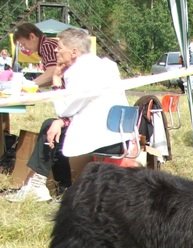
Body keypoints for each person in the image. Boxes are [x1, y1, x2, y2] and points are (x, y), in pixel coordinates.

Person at [6, 28, 129, 202]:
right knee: (54, 127)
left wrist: (56, 82)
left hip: (102, 135)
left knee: (50, 127)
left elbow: (64, 109)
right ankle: (59, 187)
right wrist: (63, 121)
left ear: (74, 52)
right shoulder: (105, 66)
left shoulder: (79, 71)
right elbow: (81, 105)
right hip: (118, 133)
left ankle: (41, 185)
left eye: (60, 47)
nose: (56, 50)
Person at [13, 23, 58, 87]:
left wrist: (29, 85)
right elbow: (52, 79)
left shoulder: (47, 45)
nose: (24, 48)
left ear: (32, 36)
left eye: (24, 44)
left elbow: (52, 72)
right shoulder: (46, 45)